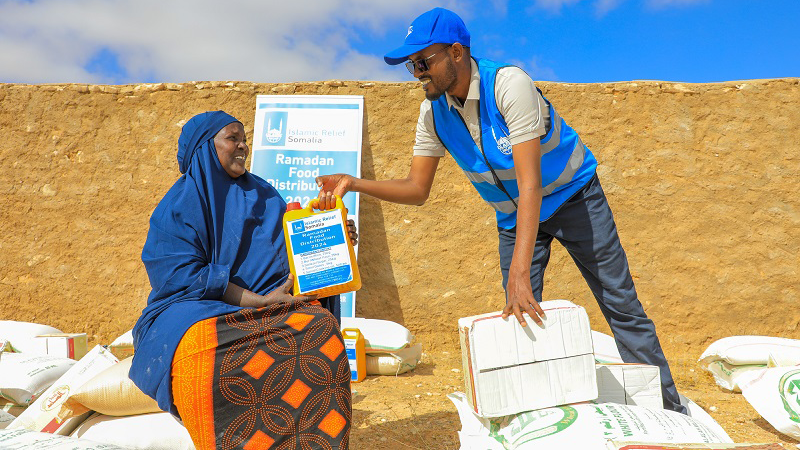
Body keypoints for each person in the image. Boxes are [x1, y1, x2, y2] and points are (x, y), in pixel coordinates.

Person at [316, 7, 687, 414]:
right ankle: (539, 418)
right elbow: (416, 188)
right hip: (515, 218)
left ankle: (669, 413)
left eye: (423, 61)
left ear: (456, 53)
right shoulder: (433, 114)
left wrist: (518, 274)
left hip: (574, 198)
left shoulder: (508, 85)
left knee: (620, 305)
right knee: (520, 317)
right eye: (411, 65)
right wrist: (353, 183)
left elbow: (530, 183)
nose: (417, 72)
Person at [130, 111, 355, 449]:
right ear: (206, 147)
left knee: (320, 328)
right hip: (198, 308)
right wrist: (255, 301)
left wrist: (336, 236)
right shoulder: (176, 207)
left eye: (244, 138)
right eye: (232, 138)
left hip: (271, 308)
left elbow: (294, 255)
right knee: (197, 349)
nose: (243, 146)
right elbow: (180, 276)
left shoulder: (265, 195)